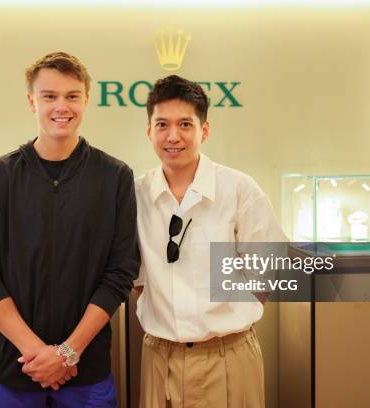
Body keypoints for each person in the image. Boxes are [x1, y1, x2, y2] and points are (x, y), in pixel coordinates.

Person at [0, 51, 140, 407]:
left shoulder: (114, 177)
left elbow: (120, 273)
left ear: (87, 100)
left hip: (86, 372)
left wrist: (68, 353)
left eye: (72, 96)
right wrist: (37, 352)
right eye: (49, 96)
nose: (62, 106)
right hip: (13, 369)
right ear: (32, 101)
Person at [134, 75, 287, 408]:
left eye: (185, 124)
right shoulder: (136, 194)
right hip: (160, 359)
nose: (173, 136)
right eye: (162, 124)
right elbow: (134, 278)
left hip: (229, 358)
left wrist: (232, 318)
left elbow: (269, 266)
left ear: (204, 130)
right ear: (149, 131)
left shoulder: (238, 189)